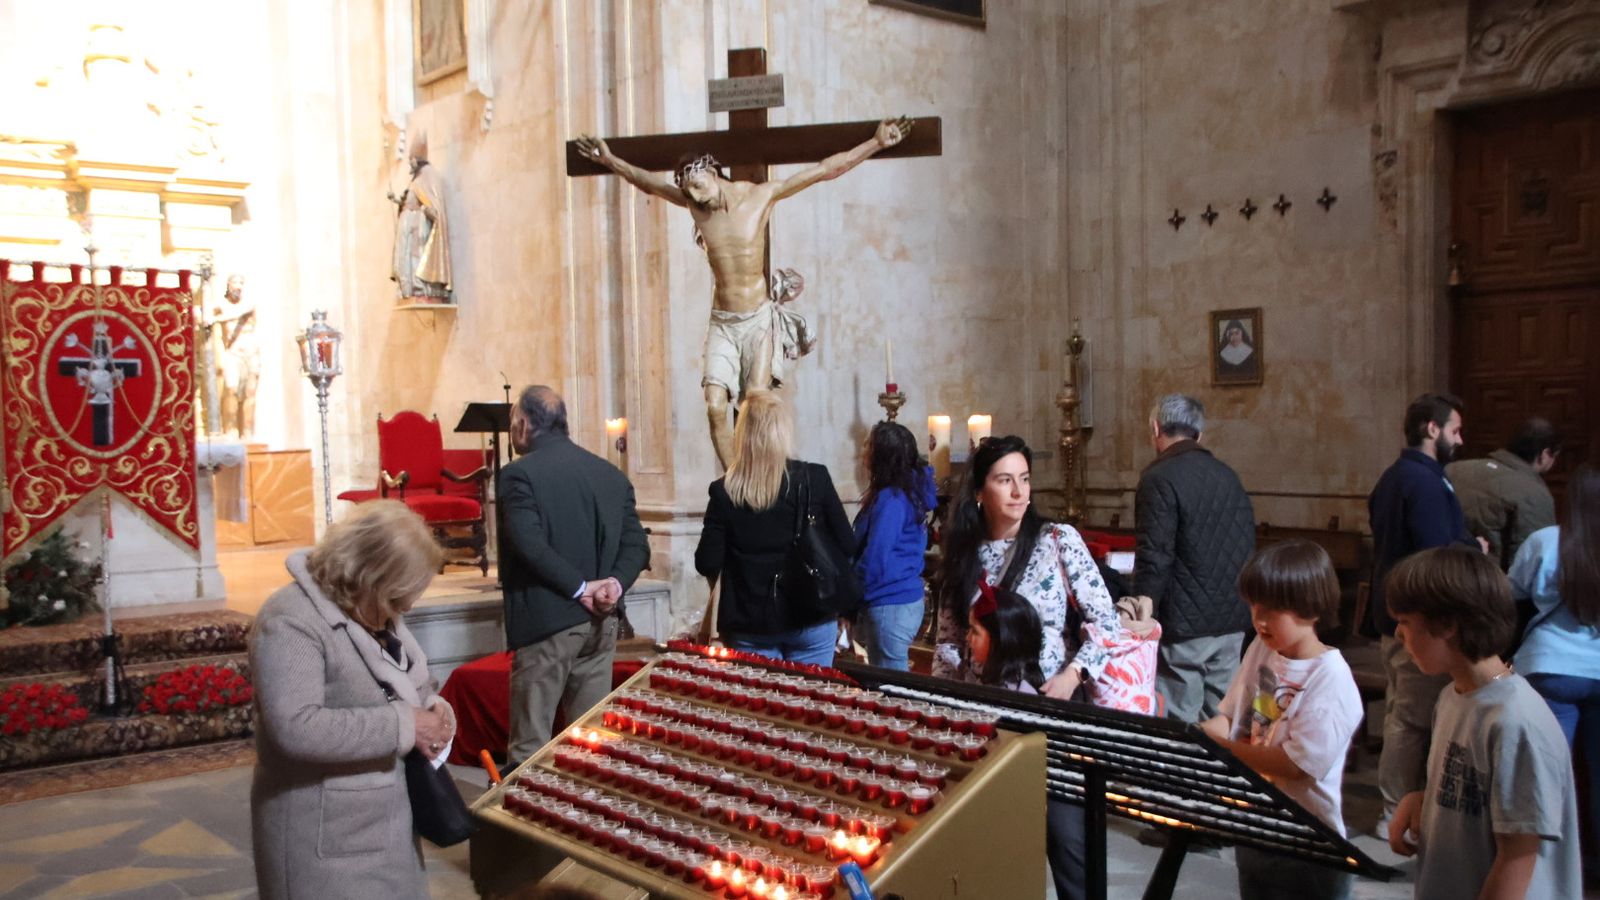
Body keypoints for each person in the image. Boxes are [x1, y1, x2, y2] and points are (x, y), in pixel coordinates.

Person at [574, 118, 911, 469]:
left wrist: (875, 143)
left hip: (758, 319)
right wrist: (610, 161)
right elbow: (648, 184)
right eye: (688, 189)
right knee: (715, 405)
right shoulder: (696, 207)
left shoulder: (760, 195)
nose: (694, 195)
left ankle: (764, 474)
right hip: (723, 322)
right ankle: (734, 480)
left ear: (713, 171)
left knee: (757, 402)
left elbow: (824, 170)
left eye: (698, 184)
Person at [930, 434, 1119, 900]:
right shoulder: (964, 555)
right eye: (1004, 480)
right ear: (979, 491)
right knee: (1000, 853)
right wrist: (953, 700)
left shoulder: (1057, 541)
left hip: (1051, 711)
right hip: (986, 719)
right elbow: (948, 643)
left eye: (1025, 479)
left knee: (1070, 845)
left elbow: (1106, 622)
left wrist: (1074, 675)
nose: (1018, 492)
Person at [249, 500, 456, 900]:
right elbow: (295, 727)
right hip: (323, 838)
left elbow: (412, 684)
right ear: (366, 574)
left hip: (386, 826)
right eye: (398, 599)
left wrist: (436, 712)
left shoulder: (374, 607)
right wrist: (406, 725)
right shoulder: (290, 619)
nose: (406, 609)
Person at [1386, 546, 1581, 900]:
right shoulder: (1453, 697)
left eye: (1405, 622)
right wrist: (1423, 800)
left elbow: (1518, 855)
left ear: (1447, 624)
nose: (1399, 635)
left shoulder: (1515, 722)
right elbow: (1472, 793)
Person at [1201, 540, 1363, 900]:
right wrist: (1195, 737)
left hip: (1309, 842)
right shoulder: (1264, 649)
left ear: (1312, 609)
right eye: (1255, 605)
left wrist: (1223, 749)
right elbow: (1239, 720)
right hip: (1259, 826)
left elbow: (1295, 765)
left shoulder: (1330, 677)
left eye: (1273, 610)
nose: (1259, 619)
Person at [501, 386, 650, 766]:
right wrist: (612, 585)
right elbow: (638, 547)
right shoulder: (609, 475)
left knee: (529, 749)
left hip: (547, 625)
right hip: (602, 623)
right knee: (590, 745)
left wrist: (579, 588)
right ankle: (583, 820)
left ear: (522, 424)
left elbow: (528, 544)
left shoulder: (519, 475)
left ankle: (525, 822)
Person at [1367, 392, 1485, 829]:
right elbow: (1435, 552)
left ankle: (1400, 804)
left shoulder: (1397, 476)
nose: (1460, 438)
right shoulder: (1424, 481)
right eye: (1455, 429)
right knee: (1412, 719)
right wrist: (1474, 548)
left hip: (1401, 613)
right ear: (1431, 430)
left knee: (1406, 714)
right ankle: (1395, 809)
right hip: (1417, 618)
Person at [695, 390, 853, 666]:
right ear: (784, 431)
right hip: (811, 614)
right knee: (809, 705)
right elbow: (847, 544)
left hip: (750, 622)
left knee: (762, 707)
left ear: (742, 435)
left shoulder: (724, 492)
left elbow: (707, 561)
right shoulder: (815, 478)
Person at [1133, 394, 1256, 723]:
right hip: (1233, 618)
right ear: (1199, 435)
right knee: (1221, 721)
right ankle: (1215, 776)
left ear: (1155, 429)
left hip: (1185, 626)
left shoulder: (1158, 478)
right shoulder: (1229, 476)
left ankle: (1179, 776)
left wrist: (1143, 610)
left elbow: (1154, 555)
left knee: (1179, 723)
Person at [1511, 464, 1600, 876]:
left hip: (1550, 668)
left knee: (1548, 774)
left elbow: (1510, 594)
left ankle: (1546, 866)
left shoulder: (1545, 542)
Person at [852, 421, 937, 671]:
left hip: (890, 602)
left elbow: (876, 558)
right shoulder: (903, 493)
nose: (863, 449)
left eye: (869, 444)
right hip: (897, 600)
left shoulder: (892, 500)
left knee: (891, 687)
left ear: (883, 454)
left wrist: (847, 593)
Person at [1446, 417, 1560, 569]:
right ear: (1545, 454)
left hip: (1439, 576)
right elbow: (1532, 564)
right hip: (1489, 584)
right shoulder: (1535, 494)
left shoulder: (1452, 469)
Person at [389, 132, 452, 303]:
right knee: (411, 262)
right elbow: (410, 200)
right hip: (410, 233)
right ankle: (413, 289)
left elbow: (434, 208)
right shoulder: (416, 179)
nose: (410, 162)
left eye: (411, 158)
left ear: (418, 159)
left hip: (420, 231)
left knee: (419, 259)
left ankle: (425, 288)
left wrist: (422, 212)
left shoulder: (428, 177)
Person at [964, 581, 1046, 692]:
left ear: (1002, 639)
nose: (967, 637)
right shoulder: (991, 682)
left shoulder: (1018, 696)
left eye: (975, 631)